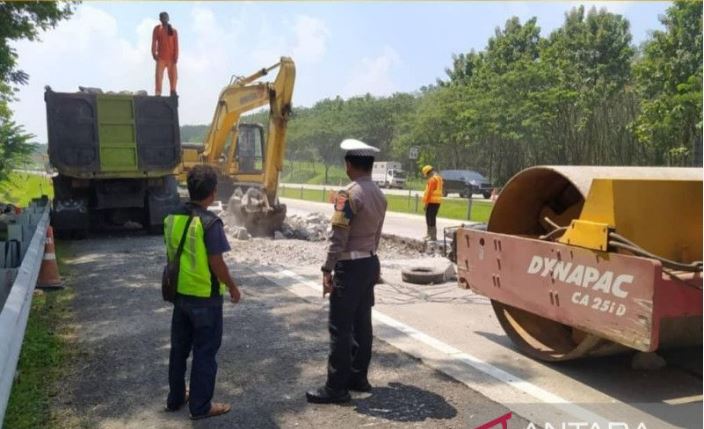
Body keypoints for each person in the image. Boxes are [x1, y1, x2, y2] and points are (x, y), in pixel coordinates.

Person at [306, 139, 388, 404]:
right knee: (362, 324)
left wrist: (327, 269)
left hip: (349, 267)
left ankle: (336, 388)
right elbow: (376, 235)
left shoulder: (348, 194)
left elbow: (338, 237)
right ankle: (358, 377)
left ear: (349, 165)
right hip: (369, 263)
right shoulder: (379, 194)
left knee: (340, 328)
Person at [164, 164, 241, 420]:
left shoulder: (172, 216)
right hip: (205, 300)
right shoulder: (210, 224)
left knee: (179, 350)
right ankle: (200, 407)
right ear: (213, 192)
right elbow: (216, 263)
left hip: (180, 295)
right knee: (205, 353)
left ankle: (175, 399)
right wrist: (232, 285)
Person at [152, 11, 179, 96]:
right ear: (160, 19)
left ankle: (173, 90)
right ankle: (158, 92)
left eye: (165, 17)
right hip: (161, 58)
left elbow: (176, 45)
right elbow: (154, 42)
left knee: (173, 76)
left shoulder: (173, 31)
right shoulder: (157, 29)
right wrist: (154, 53)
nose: (164, 19)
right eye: (162, 17)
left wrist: (176, 57)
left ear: (168, 18)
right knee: (158, 76)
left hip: (171, 58)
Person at [421, 165, 443, 241]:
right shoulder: (439, 178)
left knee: (430, 218)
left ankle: (432, 236)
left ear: (428, 173)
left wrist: (426, 204)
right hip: (437, 202)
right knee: (431, 217)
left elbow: (429, 193)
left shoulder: (432, 180)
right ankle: (430, 235)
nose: (427, 177)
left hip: (431, 202)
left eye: (426, 175)